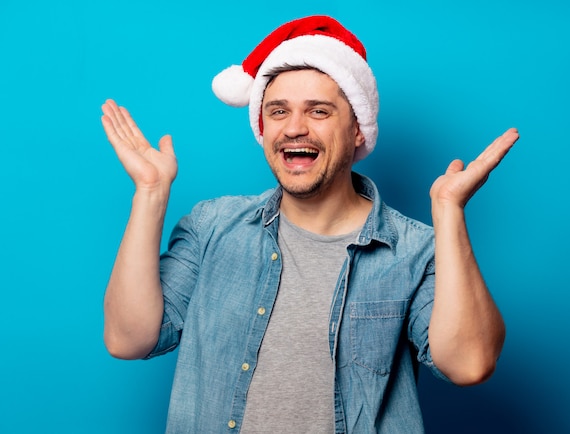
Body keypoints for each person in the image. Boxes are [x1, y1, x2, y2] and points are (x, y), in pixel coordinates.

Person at [101, 15, 517, 433]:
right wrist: (150, 194)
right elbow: (128, 338)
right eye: (278, 111)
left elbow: (470, 364)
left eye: (318, 111)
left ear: (357, 129)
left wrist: (449, 214)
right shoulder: (212, 226)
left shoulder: (415, 250)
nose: (294, 127)